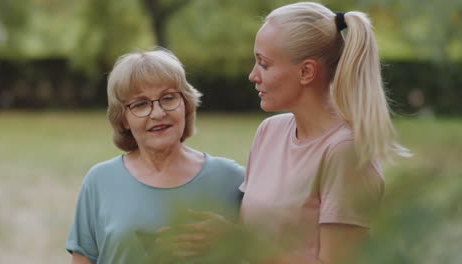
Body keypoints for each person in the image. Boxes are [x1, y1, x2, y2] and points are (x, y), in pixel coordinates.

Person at [165, 2, 411, 264]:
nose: (252, 75)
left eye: (264, 64)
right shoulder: (269, 131)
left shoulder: (345, 151)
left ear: (306, 71)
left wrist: (236, 240)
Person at [65, 48, 245, 264]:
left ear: (186, 105)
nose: (158, 113)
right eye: (141, 104)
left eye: (168, 98)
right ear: (123, 119)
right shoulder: (100, 181)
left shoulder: (232, 179)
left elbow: (270, 252)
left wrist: (234, 237)